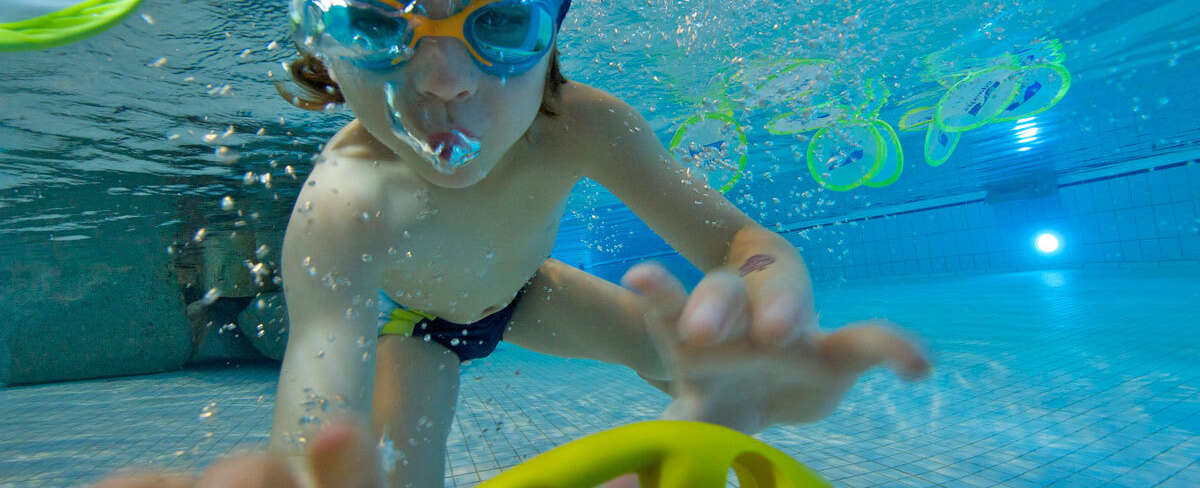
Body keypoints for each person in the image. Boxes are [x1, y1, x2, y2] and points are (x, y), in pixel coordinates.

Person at [98, 0, 930, 487]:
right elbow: (320, 404)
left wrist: (771, 300)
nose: (444, 82)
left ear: (553, 26)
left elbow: (739, 241)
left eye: (497, 20)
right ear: (322, 44)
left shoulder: (584, 126)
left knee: (694, 356)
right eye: (376, 25)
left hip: (530, 294)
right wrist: (309, 467)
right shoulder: (342, 204)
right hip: (416, 329)